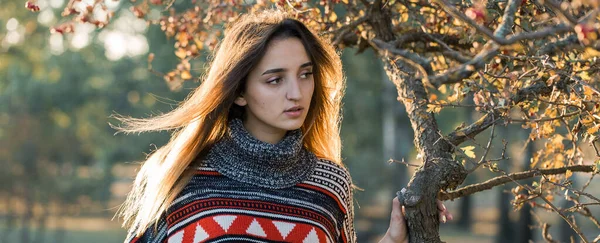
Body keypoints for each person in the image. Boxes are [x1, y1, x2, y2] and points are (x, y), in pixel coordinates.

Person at [115, 9, 452, 243]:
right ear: (240, 92)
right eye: (275, 80)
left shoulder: (330, 184)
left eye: (305, 75)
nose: (297, 93)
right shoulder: (179, 176)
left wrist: (395, 236)